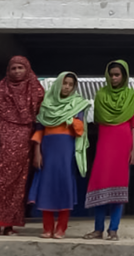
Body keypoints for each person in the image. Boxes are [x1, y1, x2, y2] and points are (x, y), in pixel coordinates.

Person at [0, 56, 45, 235]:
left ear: (27, 69)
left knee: (16, 185)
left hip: (22, 143)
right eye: (13, 68)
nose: (17, 71)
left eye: (20, 68)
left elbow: (43, 116)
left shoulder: (36, 89)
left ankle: (8, 225)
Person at [84, 60, 134, 241]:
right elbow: (98, 121)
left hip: (124, 143)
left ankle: (113, 230)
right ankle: (98, 229)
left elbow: (133, 125)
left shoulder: (132, 96)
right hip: (105, 144)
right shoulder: (100, 95)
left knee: (119, 185)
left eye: (117, 74)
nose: (114, 78)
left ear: (124, 76)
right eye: (111, 74)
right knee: (101, 183)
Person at [27, 72, 91, 239]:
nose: (67, 87)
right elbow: (39, 130)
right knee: (46, 185)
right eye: (64, 83)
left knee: (65, 185)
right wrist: (37, 152)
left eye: (70, 84)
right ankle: (47, 228)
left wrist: (70, 120)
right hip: (47, 149)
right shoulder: (46, 105)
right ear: (57, 85)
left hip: (66, 150)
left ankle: (61, 228)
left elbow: (80, 130)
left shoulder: (77, 104)